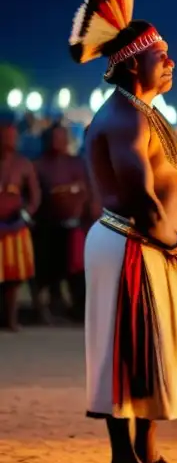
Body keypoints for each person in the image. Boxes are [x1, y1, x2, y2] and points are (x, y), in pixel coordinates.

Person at [68, 0, 177, 463]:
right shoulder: (122, 120)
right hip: (129, 243)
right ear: (133, 63)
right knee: (126, 351)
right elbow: (141, 201)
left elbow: (175, 183)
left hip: (157, 248)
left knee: (155, 349)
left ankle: (147, 454)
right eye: (161, 55)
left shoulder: (147, 115)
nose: (170, 63)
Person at [33, 123, 97, 321]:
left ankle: (79, 309)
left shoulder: (79, 163)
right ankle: (51, 306)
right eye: (53, 137)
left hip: (76, 227)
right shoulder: (38, 165)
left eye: (61, 137)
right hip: (48, 227)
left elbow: (90, 192)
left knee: (77, 270)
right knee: (50, 272)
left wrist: (91, 218)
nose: (57, 141)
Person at [0, 115, 41, 330]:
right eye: (4, 135)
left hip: (16, 227)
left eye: (11, 136)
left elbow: (35, 196)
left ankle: (11, 319)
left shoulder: (23, 164)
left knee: (14, 277)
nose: (8, 139)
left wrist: (25, 214)